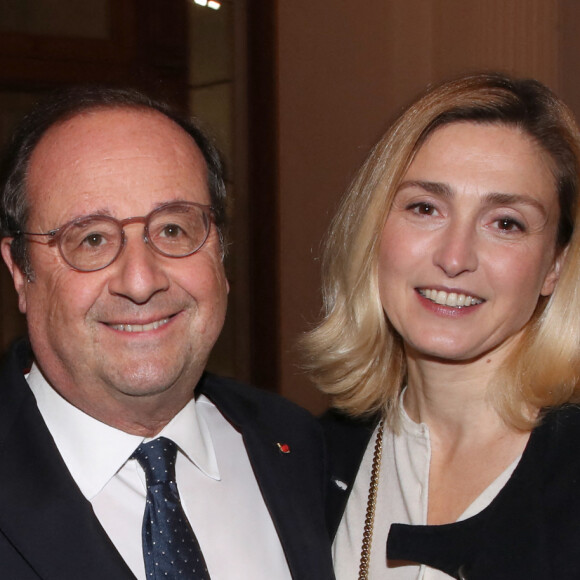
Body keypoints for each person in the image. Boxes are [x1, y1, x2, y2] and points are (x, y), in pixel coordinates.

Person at [0, 86, 334, 580]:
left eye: (173, 230)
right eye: (91, 239)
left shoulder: (297, 444)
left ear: (221, 256)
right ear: (21, 273)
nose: (141, 281)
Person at [303, 73, 580, 579]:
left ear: (555, 266)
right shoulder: (310, 462)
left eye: (506, 223)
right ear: (375, 232)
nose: (455, 258)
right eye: (425, 208)